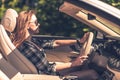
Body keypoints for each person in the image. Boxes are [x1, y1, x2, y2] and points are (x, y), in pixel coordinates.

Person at [12, 10, 90, 76]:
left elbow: (54, 43)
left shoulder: (32, 41)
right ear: (27, 25)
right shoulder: (26, 47)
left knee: (82, 67)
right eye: (36, 22)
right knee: (92, 73)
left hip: (47, 73)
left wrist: (79, 41)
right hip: (47, 76)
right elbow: (49, 69)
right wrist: (74, 63)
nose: (39, 24)